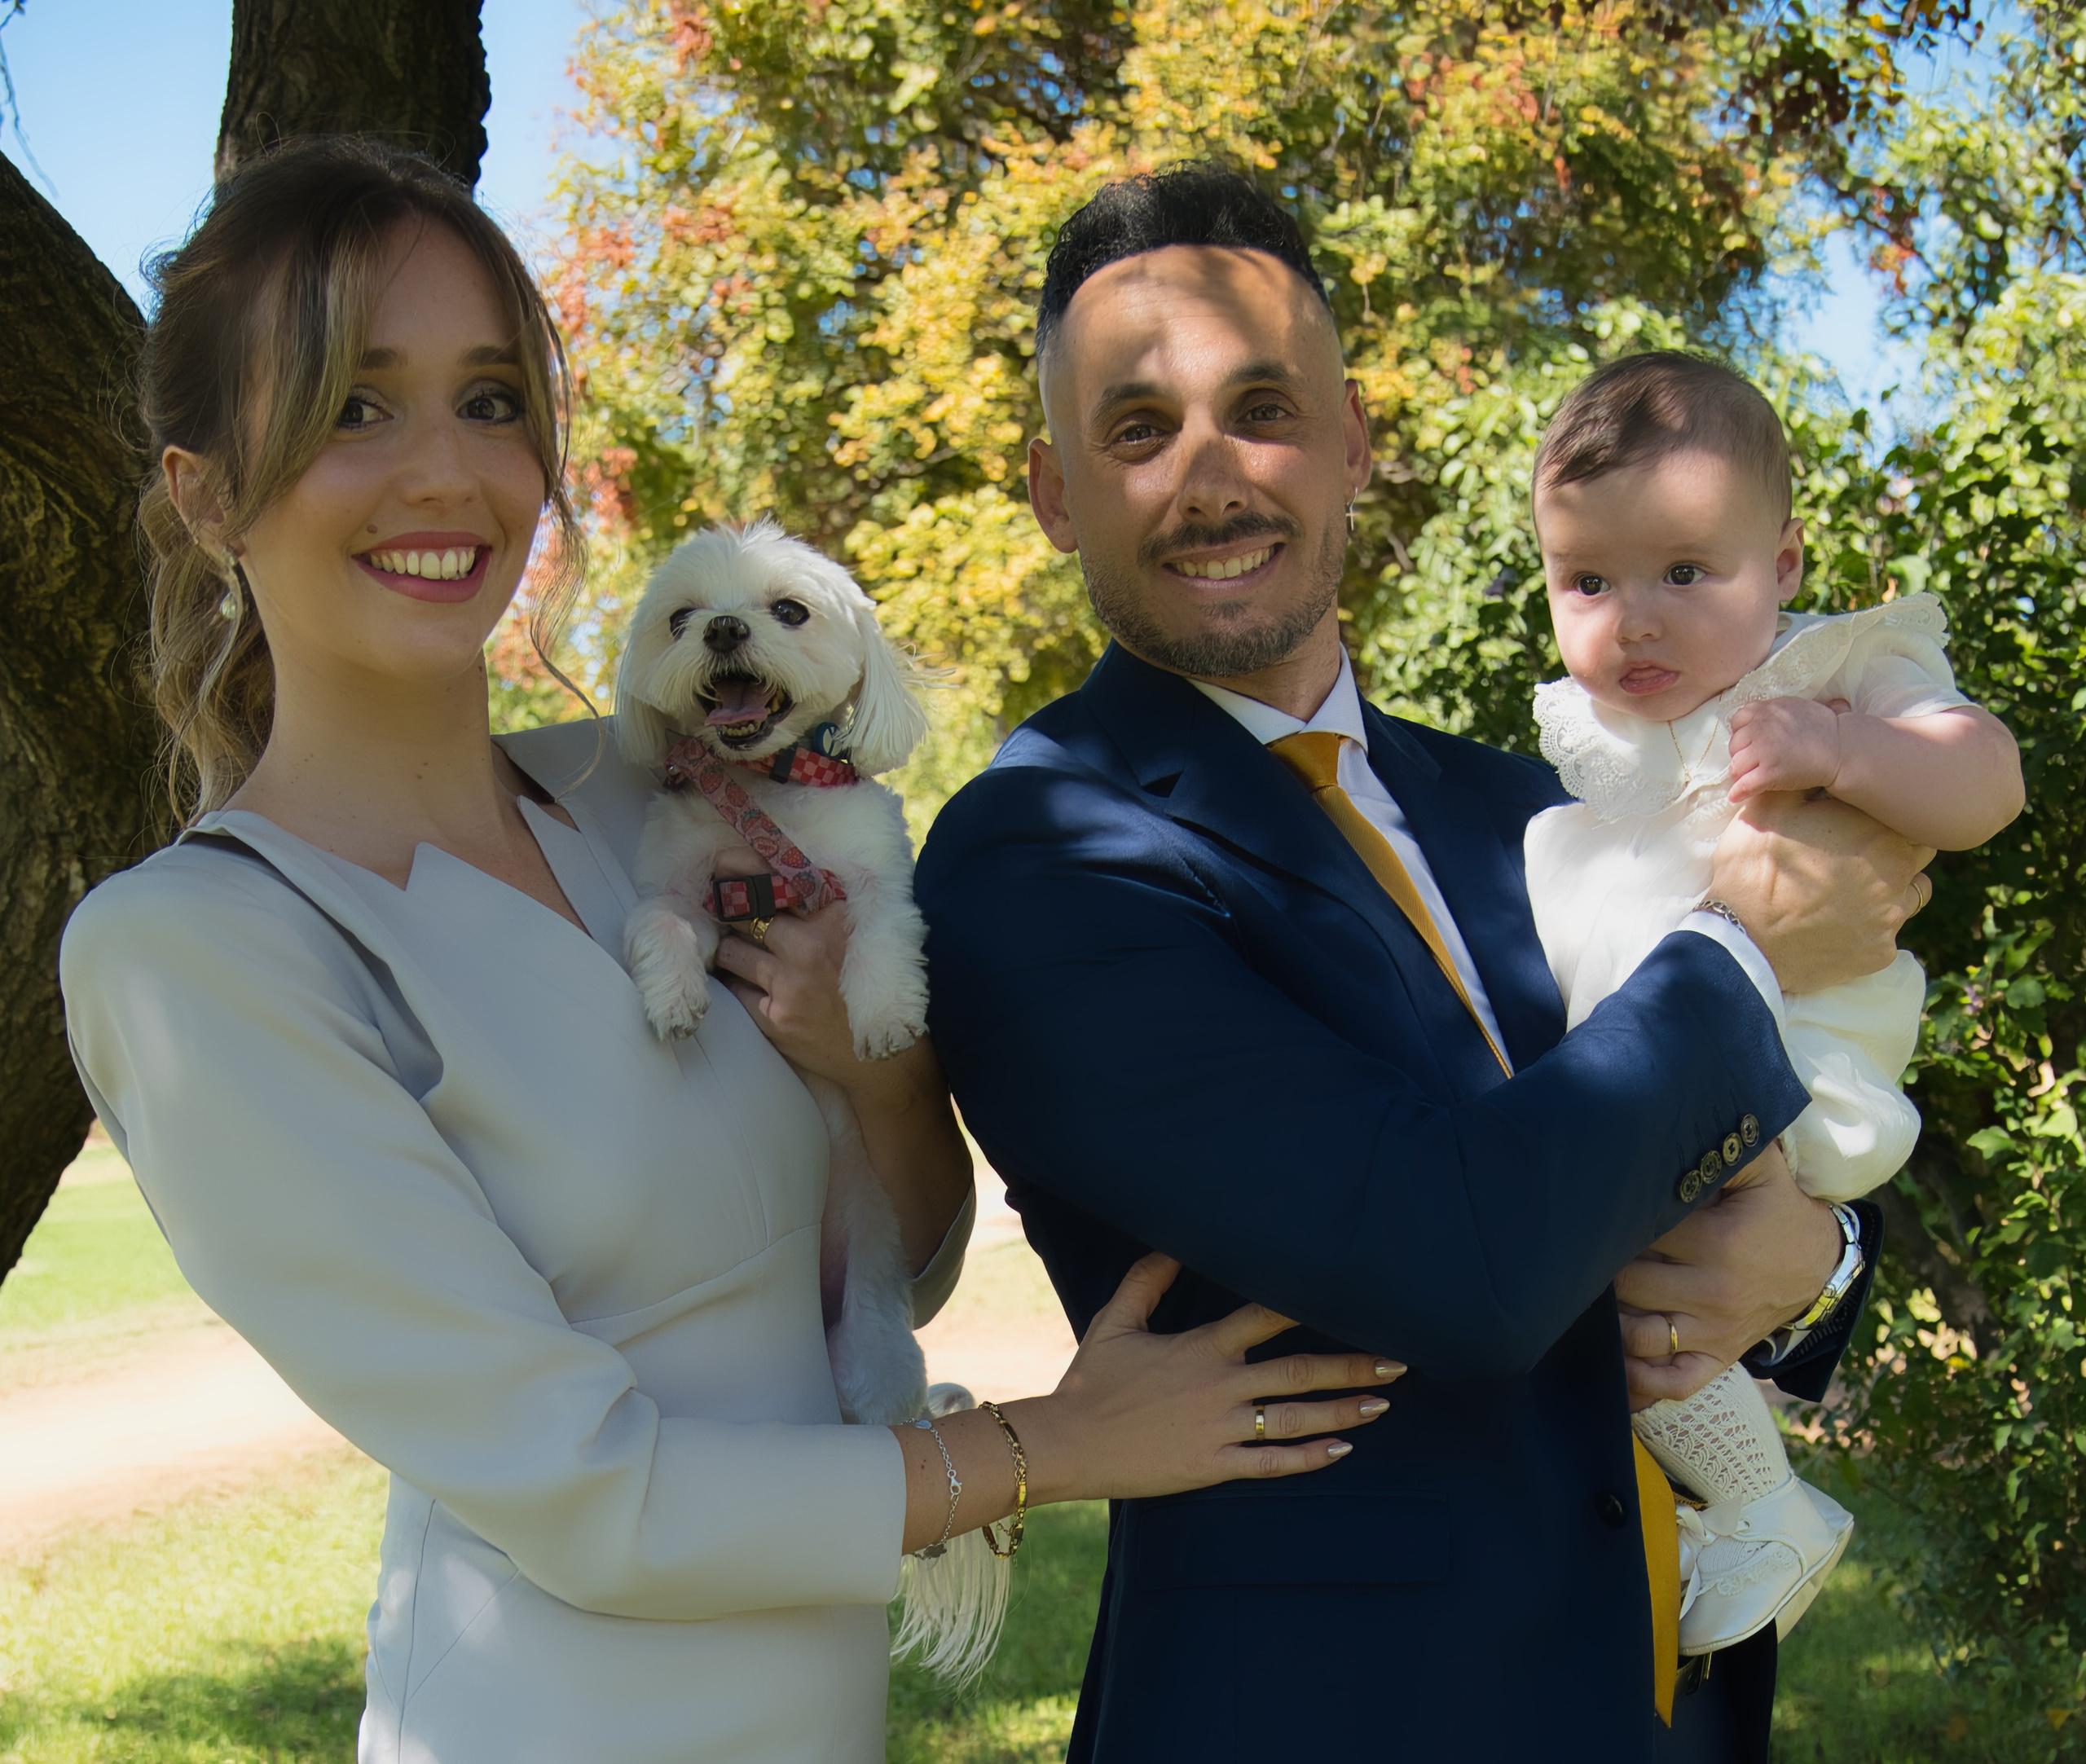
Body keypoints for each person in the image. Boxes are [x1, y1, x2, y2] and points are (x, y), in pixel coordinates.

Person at [57, 138, 1395, 1764]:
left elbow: (890, 1253)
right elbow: (594, 1498)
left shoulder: (670, 796)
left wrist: (877, 1069)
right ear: (204, 489)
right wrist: (1048, 1448)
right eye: (352, 403)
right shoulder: (198, 953)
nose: (443, 471)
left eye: (488, 401)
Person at [914, 164, 1932, 1763]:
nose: (1206, 477)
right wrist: (1742, 948)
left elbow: (1723, 1138)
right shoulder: (1030, 862)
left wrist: (1817, 1269)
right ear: (1051, 493)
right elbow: (1451, 1257)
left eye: (1260, 408)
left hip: (1666, 1707)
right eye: (1133, 430)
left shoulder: (1539, 804)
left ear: (1351, 443)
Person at [1524, 350, 2023, 1656]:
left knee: (1620, 1288)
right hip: (1655, 1094)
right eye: (1589, 580)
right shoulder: (1585, 753)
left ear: (1786, 565)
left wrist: (1846, 750)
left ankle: (1759, 1503)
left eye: (1686, 572)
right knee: (1620, 1296)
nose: (1633, 619)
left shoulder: (1840, 667)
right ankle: (1745, 1501)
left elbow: (1986, 785)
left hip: (1794, 1076)